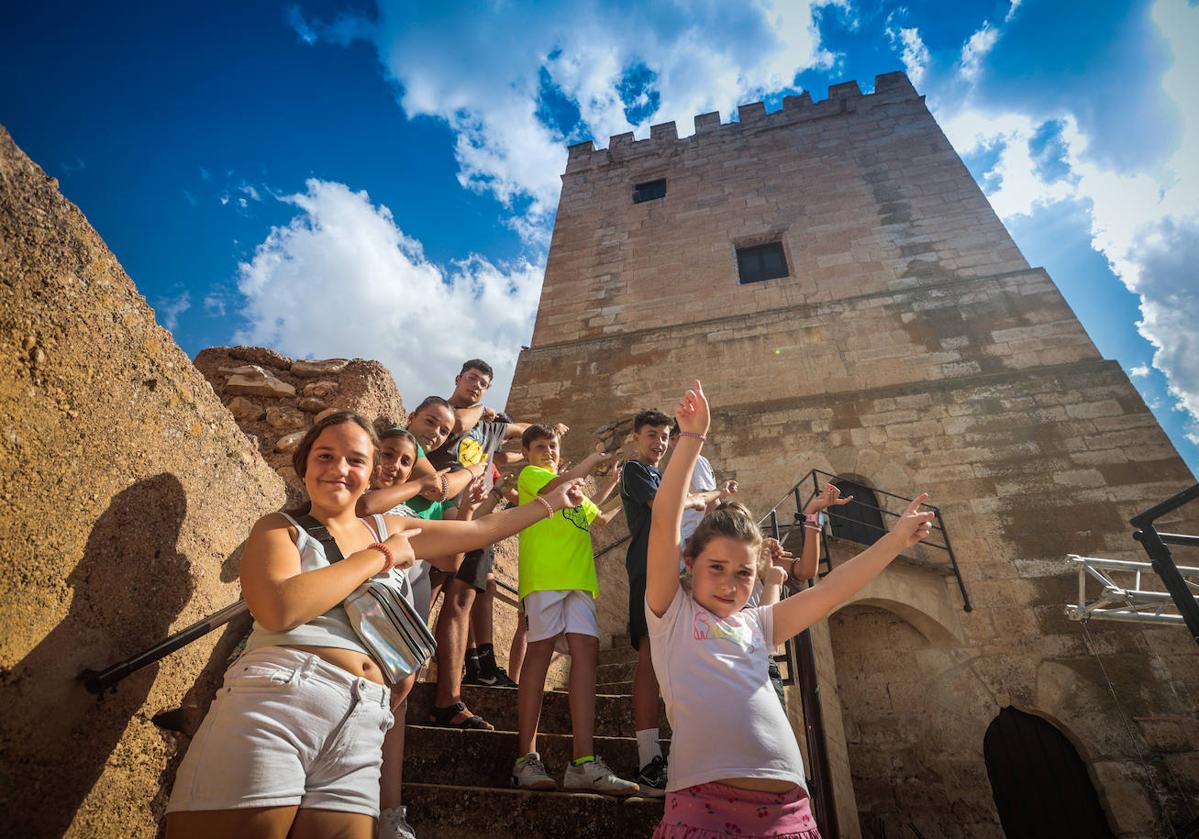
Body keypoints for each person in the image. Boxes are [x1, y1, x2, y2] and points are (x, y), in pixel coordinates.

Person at [165, 411, 588, 839]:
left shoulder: (391, 525)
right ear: (305, 464)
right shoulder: (280, 528)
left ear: (369, 474)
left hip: (365, 718)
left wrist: (550, 503)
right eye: (325, 456)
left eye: (355, 460)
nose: (340, 469)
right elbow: (279, 609)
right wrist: (381, 556)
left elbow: (477, 530)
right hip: (278, 700)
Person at [645, 381, 934, 838]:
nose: (730, 583)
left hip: (789, 815)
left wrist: (895, 540)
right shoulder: (671, 615)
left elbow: (830, 591)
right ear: (689, 562)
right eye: (716, 567)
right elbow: (663, 523)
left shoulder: (759, 622)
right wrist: (692, 438)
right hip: (701, 809)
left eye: (743, 573)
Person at [426, 360, 563, 724]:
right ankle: (431, 682)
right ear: (458, 379)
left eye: (484, 383)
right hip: (442, 514)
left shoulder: (490, 431)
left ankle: (461, 684)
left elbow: (515, 439)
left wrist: (533, 437)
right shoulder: (446, 414)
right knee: (431, 594)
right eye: (472, 379)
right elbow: (460, 423)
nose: (476, 385)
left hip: (477, 518)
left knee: (466, 595)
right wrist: (483, 411)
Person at [509, 425, 635, 794]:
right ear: (528, 453)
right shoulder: (533, 477)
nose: (546, 450)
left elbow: (601, 518)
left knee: (586, 655)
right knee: (540, 653)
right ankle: (525, 758)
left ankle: (583, 761)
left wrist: (612, 483)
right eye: (539, 447)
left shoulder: (573, 488)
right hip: (545, 577)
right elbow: (553, 487)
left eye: (552, 445)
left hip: (580, 580)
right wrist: (594, 457)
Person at [619, 410, 732, 795]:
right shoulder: (634, 470)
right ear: (637, 437)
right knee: (650, 657)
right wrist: (705, 497)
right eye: (653, 434)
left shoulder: (661, 475)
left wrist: (706, 499)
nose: (660, 442)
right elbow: (666, 508)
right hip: (649, 570)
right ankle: (649, 759)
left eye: (665, 436)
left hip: (672, 568)